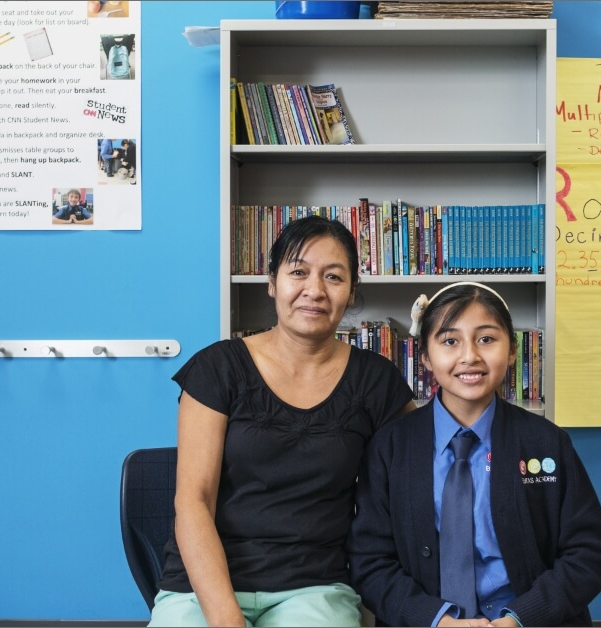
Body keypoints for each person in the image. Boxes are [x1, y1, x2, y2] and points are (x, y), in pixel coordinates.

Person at [149, 215, 417, 627]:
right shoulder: (217, 368)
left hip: (314, 586)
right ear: (272, 282)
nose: (315, 290)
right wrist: (225, 617)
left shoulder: (376, 380)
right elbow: (192, 501)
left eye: (333, 277)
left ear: (350, 293)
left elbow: (418, 477)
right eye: (298, 272)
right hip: (202, 587)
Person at [349, 282, 601, 627]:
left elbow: (591, 553)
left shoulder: (547, 443)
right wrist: (436, 620)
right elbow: (369, 561)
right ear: (426, 357)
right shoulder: (389, 447)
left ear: (511, 351)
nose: (469, 356)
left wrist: (520, 618)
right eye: (450, 341)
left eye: (486, 339)